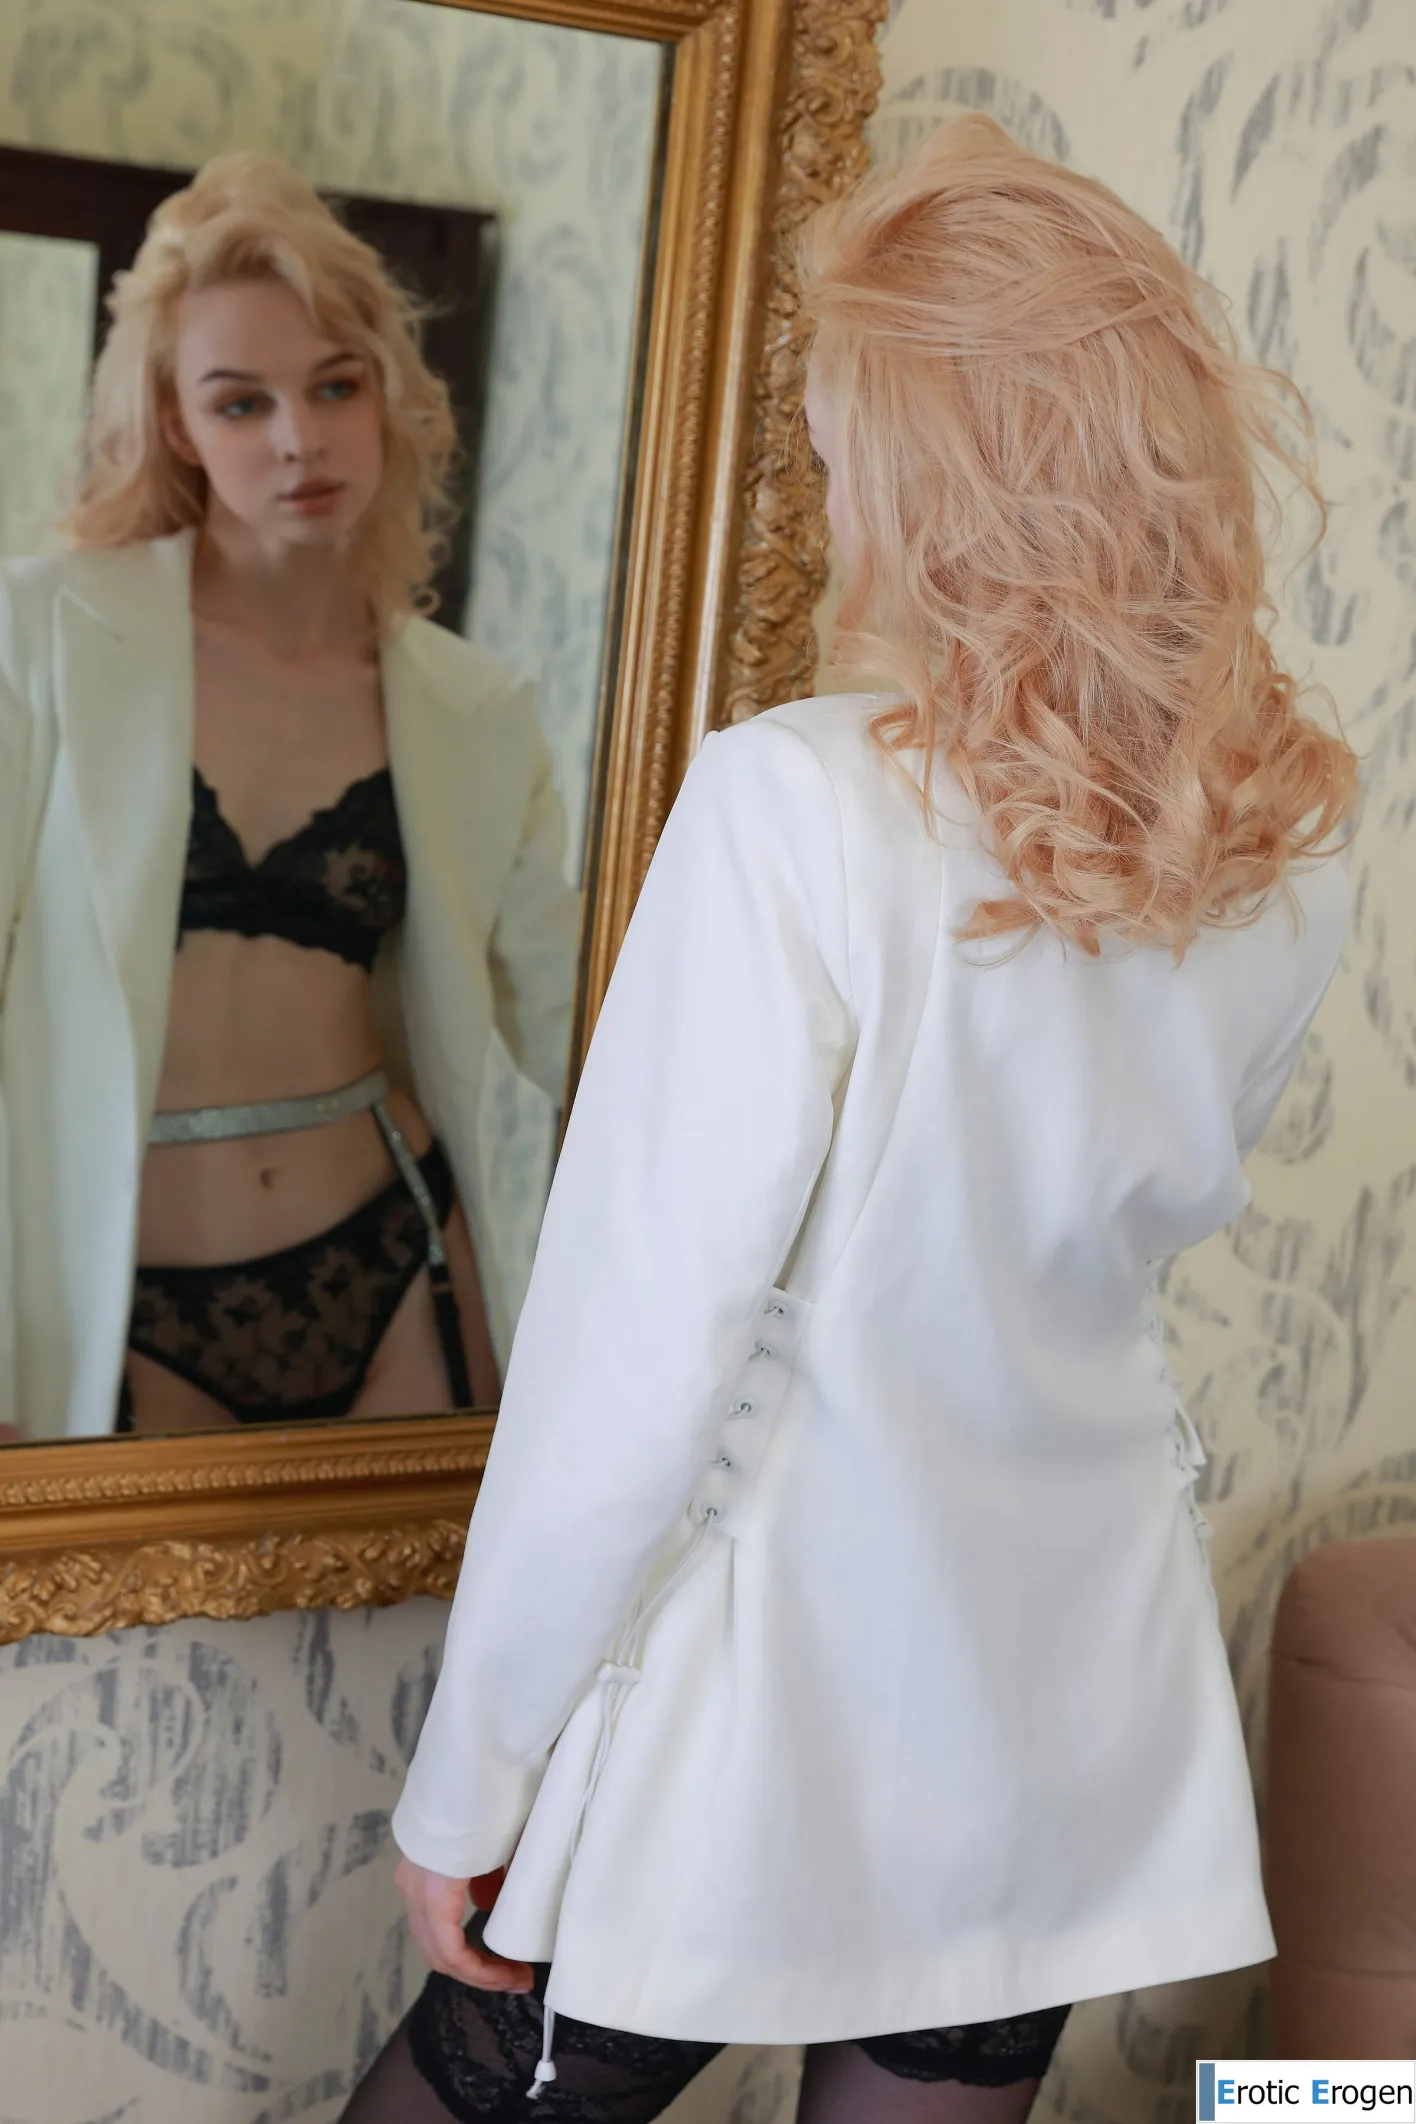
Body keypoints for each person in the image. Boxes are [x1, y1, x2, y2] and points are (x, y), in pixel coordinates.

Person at [345, 117, 1358, 2124]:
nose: (829, 504)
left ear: (940, 478)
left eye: (836, 454)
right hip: (1056, 1690)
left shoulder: (794, 803)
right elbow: (1122, 1223)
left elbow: (632, 1362)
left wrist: (470, 1777)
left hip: (769, 1690)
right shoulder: (1286, 839)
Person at [0, 153, 580, 1441]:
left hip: (402, 1263)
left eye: (334, 386)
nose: (299, 440)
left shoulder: (474, 711)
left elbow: (578, 1023)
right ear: (176, 425)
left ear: (386, 394)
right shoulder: (38, 638)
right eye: (240, 403)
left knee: (431, 1586)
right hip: (111, 1293)